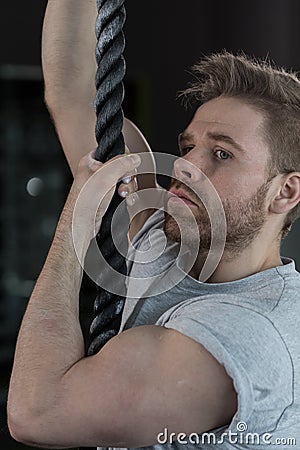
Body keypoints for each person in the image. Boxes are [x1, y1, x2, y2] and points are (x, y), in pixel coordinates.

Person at [7, 1, 300, 449]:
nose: (186, 167)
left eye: (222, 154)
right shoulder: (167, 237)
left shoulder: (248, 335)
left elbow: (38, 411)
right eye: (189, 146)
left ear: (285, 192)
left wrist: (77, 214)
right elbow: (75, 93)